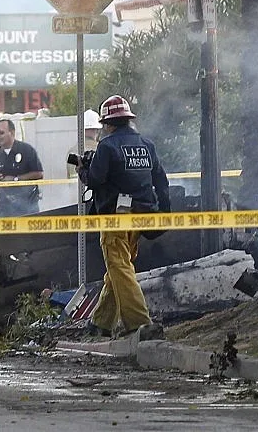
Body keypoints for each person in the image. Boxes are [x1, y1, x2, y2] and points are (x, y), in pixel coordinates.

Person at [76, 95, 171, 338]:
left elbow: (95, 180)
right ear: (128, 120)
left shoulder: (106, 147)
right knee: (120, 266)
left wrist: (83, 171)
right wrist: (165, 212)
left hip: (116, 217)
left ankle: (139, 322)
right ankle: (101, 323)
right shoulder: (146, 145)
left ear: (107, 124)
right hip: (141, 215)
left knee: (119, 265)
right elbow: (161, 179)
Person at [0, 119, 44, 217]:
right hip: (3, 209)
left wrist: (16, 179)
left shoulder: (26, 150)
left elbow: (39, 174)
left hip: (27, 208)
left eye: (1, 133)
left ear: (12, 133)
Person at [67, 109, 102, 178]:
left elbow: (70, 178)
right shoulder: (101, 149)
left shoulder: (72, 151)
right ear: (96, 130)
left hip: (74, 188)